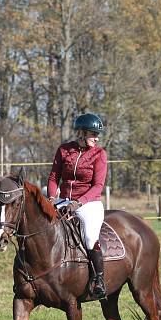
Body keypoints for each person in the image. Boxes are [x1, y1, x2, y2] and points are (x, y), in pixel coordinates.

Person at [47, 113, 108, 299]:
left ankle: (99, 279)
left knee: (90, 237)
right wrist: (51, 198)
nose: (96, 138)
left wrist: (78, 203)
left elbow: (98, 185)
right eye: (93, 133)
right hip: (63, 200)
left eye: (97, 134)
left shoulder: (99, 154)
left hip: (88, 203)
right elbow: (53, 177)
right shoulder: (64, 150)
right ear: (80, 133)